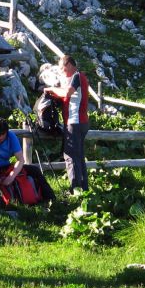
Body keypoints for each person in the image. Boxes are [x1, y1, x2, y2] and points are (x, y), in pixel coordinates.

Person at [0, 117, 55, 208]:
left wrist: (11, 177)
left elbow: (21, 160)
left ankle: (50, 197)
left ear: (7, 132)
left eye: (3, 134)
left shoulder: (11, 137)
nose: (0, 137)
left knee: (34, 170)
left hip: (4, 165)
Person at [45, 54, 90, 192]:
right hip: (80, 122)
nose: (61, 71)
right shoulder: (76, 77)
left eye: (62, 68)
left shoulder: (77, 77)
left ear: (69, 65)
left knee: (70, 155)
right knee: (79, 155)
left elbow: (67, 93)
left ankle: (75, 189)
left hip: (74, 121)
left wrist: (51, 89)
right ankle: (83, 187)